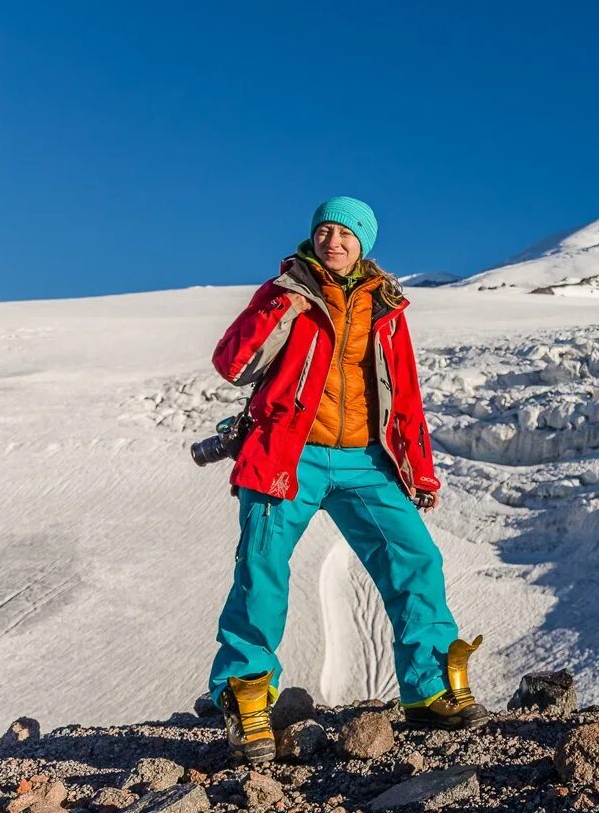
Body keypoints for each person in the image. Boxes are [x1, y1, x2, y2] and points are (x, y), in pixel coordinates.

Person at [207, 196, 487, 764]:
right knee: (262, 571)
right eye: (325, 230)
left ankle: (429, 689)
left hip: (365, 459)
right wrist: (278, 306)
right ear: (312, 237)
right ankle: (246, 697)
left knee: (416, 560)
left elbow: (404, 395)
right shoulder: (284, 293)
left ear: (364, 244)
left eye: (347, 233)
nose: (334, 240)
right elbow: (232, 365)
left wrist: (420, 471)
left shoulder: (386, 305)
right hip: (289, 454)